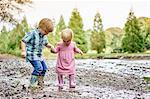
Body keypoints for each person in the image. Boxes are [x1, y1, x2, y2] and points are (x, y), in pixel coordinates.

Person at [21, 18, 54, 89]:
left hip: (39, 55)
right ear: (40, 27)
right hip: (32, 55)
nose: (46, 33)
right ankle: (32, 83)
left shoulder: (44, 36)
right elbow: (23, 41)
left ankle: (40, 81)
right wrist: (23, 51)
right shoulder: (33, 33)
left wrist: (50, 46)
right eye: (46, 31)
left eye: (48, 33)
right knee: (39, 68)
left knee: (44, 68)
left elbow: (46, 43)